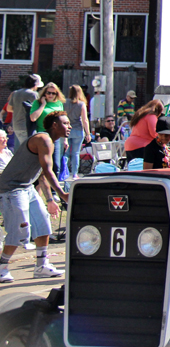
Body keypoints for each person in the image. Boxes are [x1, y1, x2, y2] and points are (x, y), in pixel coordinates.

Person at [0, 111, 70, 282]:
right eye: (65, 123)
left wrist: (50, 199)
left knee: (43, 223)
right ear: (55, 125)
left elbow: (41, 174)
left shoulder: (49, 141)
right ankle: (2, 267)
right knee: (20, 230)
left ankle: (41, 266)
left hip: (26, 187)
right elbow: (48, 171)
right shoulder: (43, 139)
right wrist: (62, 194)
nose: (69, 127)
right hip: (11, 189)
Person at [29, 83, 65, 176]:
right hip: (42, 136)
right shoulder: (37, 103)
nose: (51, 95)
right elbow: (33, 118)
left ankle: (54, 185)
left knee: (56, 165)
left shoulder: (59, 104)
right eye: (48, 93)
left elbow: (63, 122)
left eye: (53, 93)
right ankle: (38, 184)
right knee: (42, 165)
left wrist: (65, 139)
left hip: (55, 136)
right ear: (44, 93)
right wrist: (43, 105)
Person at [64, 85, 91, 179]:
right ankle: (75, 174)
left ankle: (63, 172)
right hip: (78, 130)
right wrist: (88, 133)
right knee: (75, 153)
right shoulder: (81, 104)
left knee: (66, 153)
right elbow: (85, 120)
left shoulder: (64, 103)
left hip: (67, 130)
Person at [8, 74, 41, 148]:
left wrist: (19, 109)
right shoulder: (34, 94)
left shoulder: (15, 93)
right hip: (27, 126)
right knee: (29, 149)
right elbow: (38, 110)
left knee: (22, 147)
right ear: (35, 85)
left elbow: (9, 109)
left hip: (16, 126)